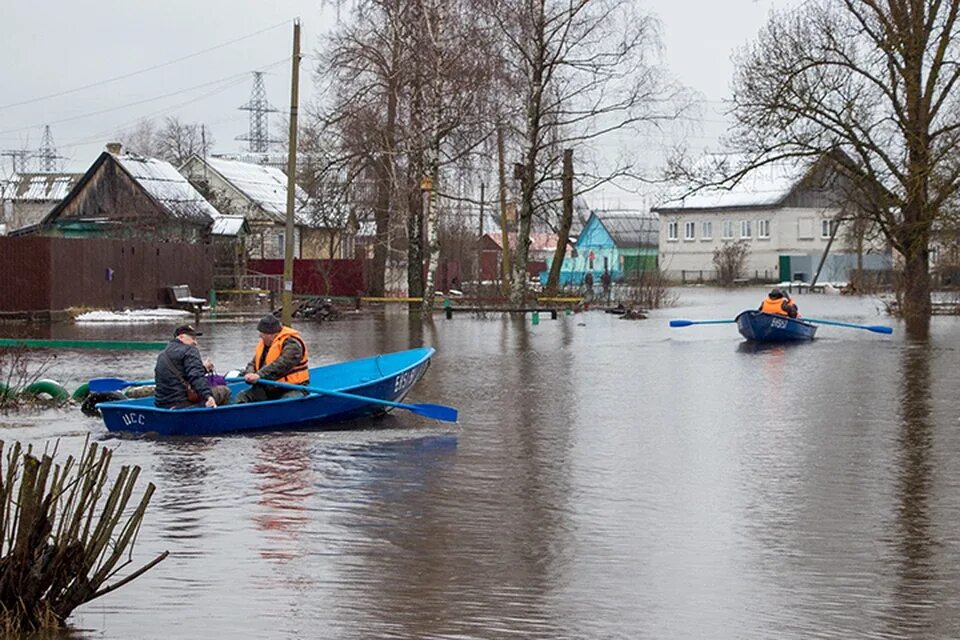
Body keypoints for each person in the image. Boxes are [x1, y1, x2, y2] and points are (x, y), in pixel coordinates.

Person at [236, 314, 310, 404]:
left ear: (271, 334)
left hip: (293, 387)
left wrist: (259, 375)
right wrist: (250, 373)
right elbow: (253, 363)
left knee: (285, 402)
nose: (260, 336)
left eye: (262, 333)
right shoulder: (264, 345)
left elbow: (282, 364)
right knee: (243, 396)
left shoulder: (292, 344)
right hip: (269, 388)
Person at [154, 325, 231, 409]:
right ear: (181, 337)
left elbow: (180, 374)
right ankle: (216, 418)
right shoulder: (190, 350)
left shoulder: (162, 354)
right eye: (192, 338)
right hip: (182, 403)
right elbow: (196, 377)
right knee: (224, 391)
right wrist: (208, 396)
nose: (195, 342)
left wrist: (204, 369)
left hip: (162, 403)